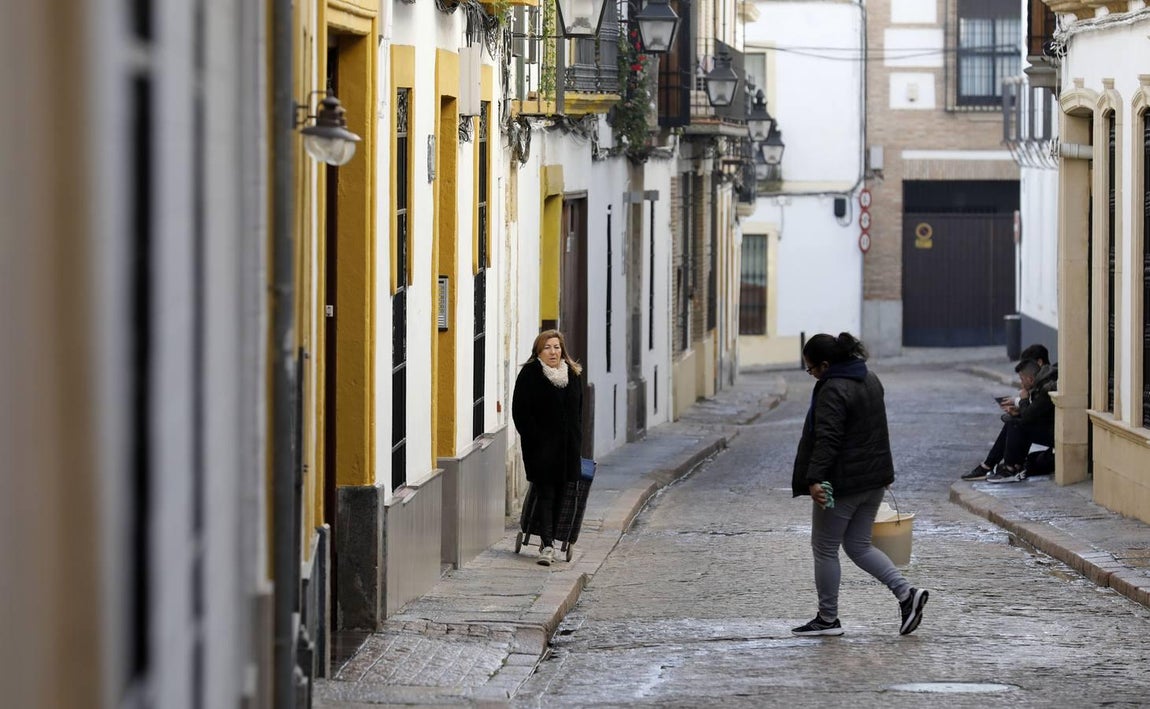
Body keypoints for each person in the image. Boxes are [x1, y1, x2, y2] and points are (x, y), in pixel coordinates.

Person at [791, 332, 929, 637]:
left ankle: (828, 619)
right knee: (858, 545)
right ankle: (907, 595)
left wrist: (815, 479)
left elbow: (828, 438)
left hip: (842, 484)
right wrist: (885, 473)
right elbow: (879, 430)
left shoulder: (832, 389)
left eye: (811, 369)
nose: (812, 375)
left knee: (824, 548)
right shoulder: (870, 378)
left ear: (825, 365)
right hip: (874, 480)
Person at [512, 330, 584, 567]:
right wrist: (535, 438)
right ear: (538, 352)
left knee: (562, 495)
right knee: (546, 494)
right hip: (541, 449)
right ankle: (548, 545)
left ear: (562, 350)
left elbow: (578, 412)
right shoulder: (530, 374)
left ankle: (549, 540)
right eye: (547, 347)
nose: (553, 352)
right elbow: (520, 412)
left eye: (556, 347)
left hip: (567, 449)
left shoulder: (572, 374)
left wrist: (576, 439)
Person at [962, 344, 1057, 483]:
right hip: (1048, 427)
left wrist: (1023, 400)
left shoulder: (1047, 385)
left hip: (1055, 433)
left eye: (1022, 379)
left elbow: (1029, 417)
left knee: (1016, 425)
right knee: (1013, 422)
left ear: (1038, 364)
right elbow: (1034, 413)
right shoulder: (1042, 381)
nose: (1021, 383)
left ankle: (1010, 468)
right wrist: (1019, 410)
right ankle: (989, 465)